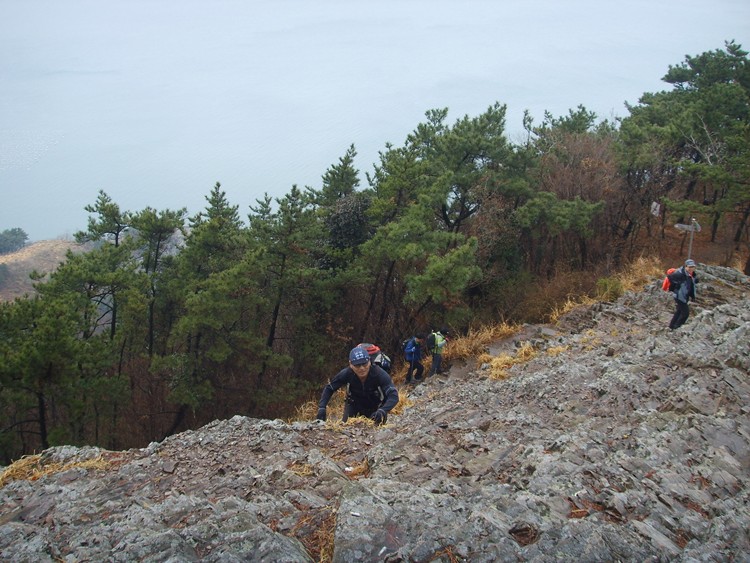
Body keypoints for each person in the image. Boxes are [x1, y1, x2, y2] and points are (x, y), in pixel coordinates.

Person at [316, 346, 399, 425]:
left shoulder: (379, 373)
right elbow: (329, 388)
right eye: (357, 365)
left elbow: (393, 395)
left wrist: (383, 410)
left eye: (364, 364)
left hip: (375, 407)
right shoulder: (346, 374)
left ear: (369, 361)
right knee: (345, 429)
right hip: (353, 405)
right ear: (350, 364)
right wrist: (322, 407)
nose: (362, 368)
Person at [667, 259, 698, 330]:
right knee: (685, 313)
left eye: (693, 267)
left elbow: (691, 284)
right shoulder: (681, 273)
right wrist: (676, 285)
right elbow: (670, 277)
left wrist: (692, 295)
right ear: (686, 266)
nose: (691, 268)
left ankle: (671, 326)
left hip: (685, 296)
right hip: (679, 296)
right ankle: (677, 327)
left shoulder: (692, 274)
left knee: (679, 311)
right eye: (689, 267)